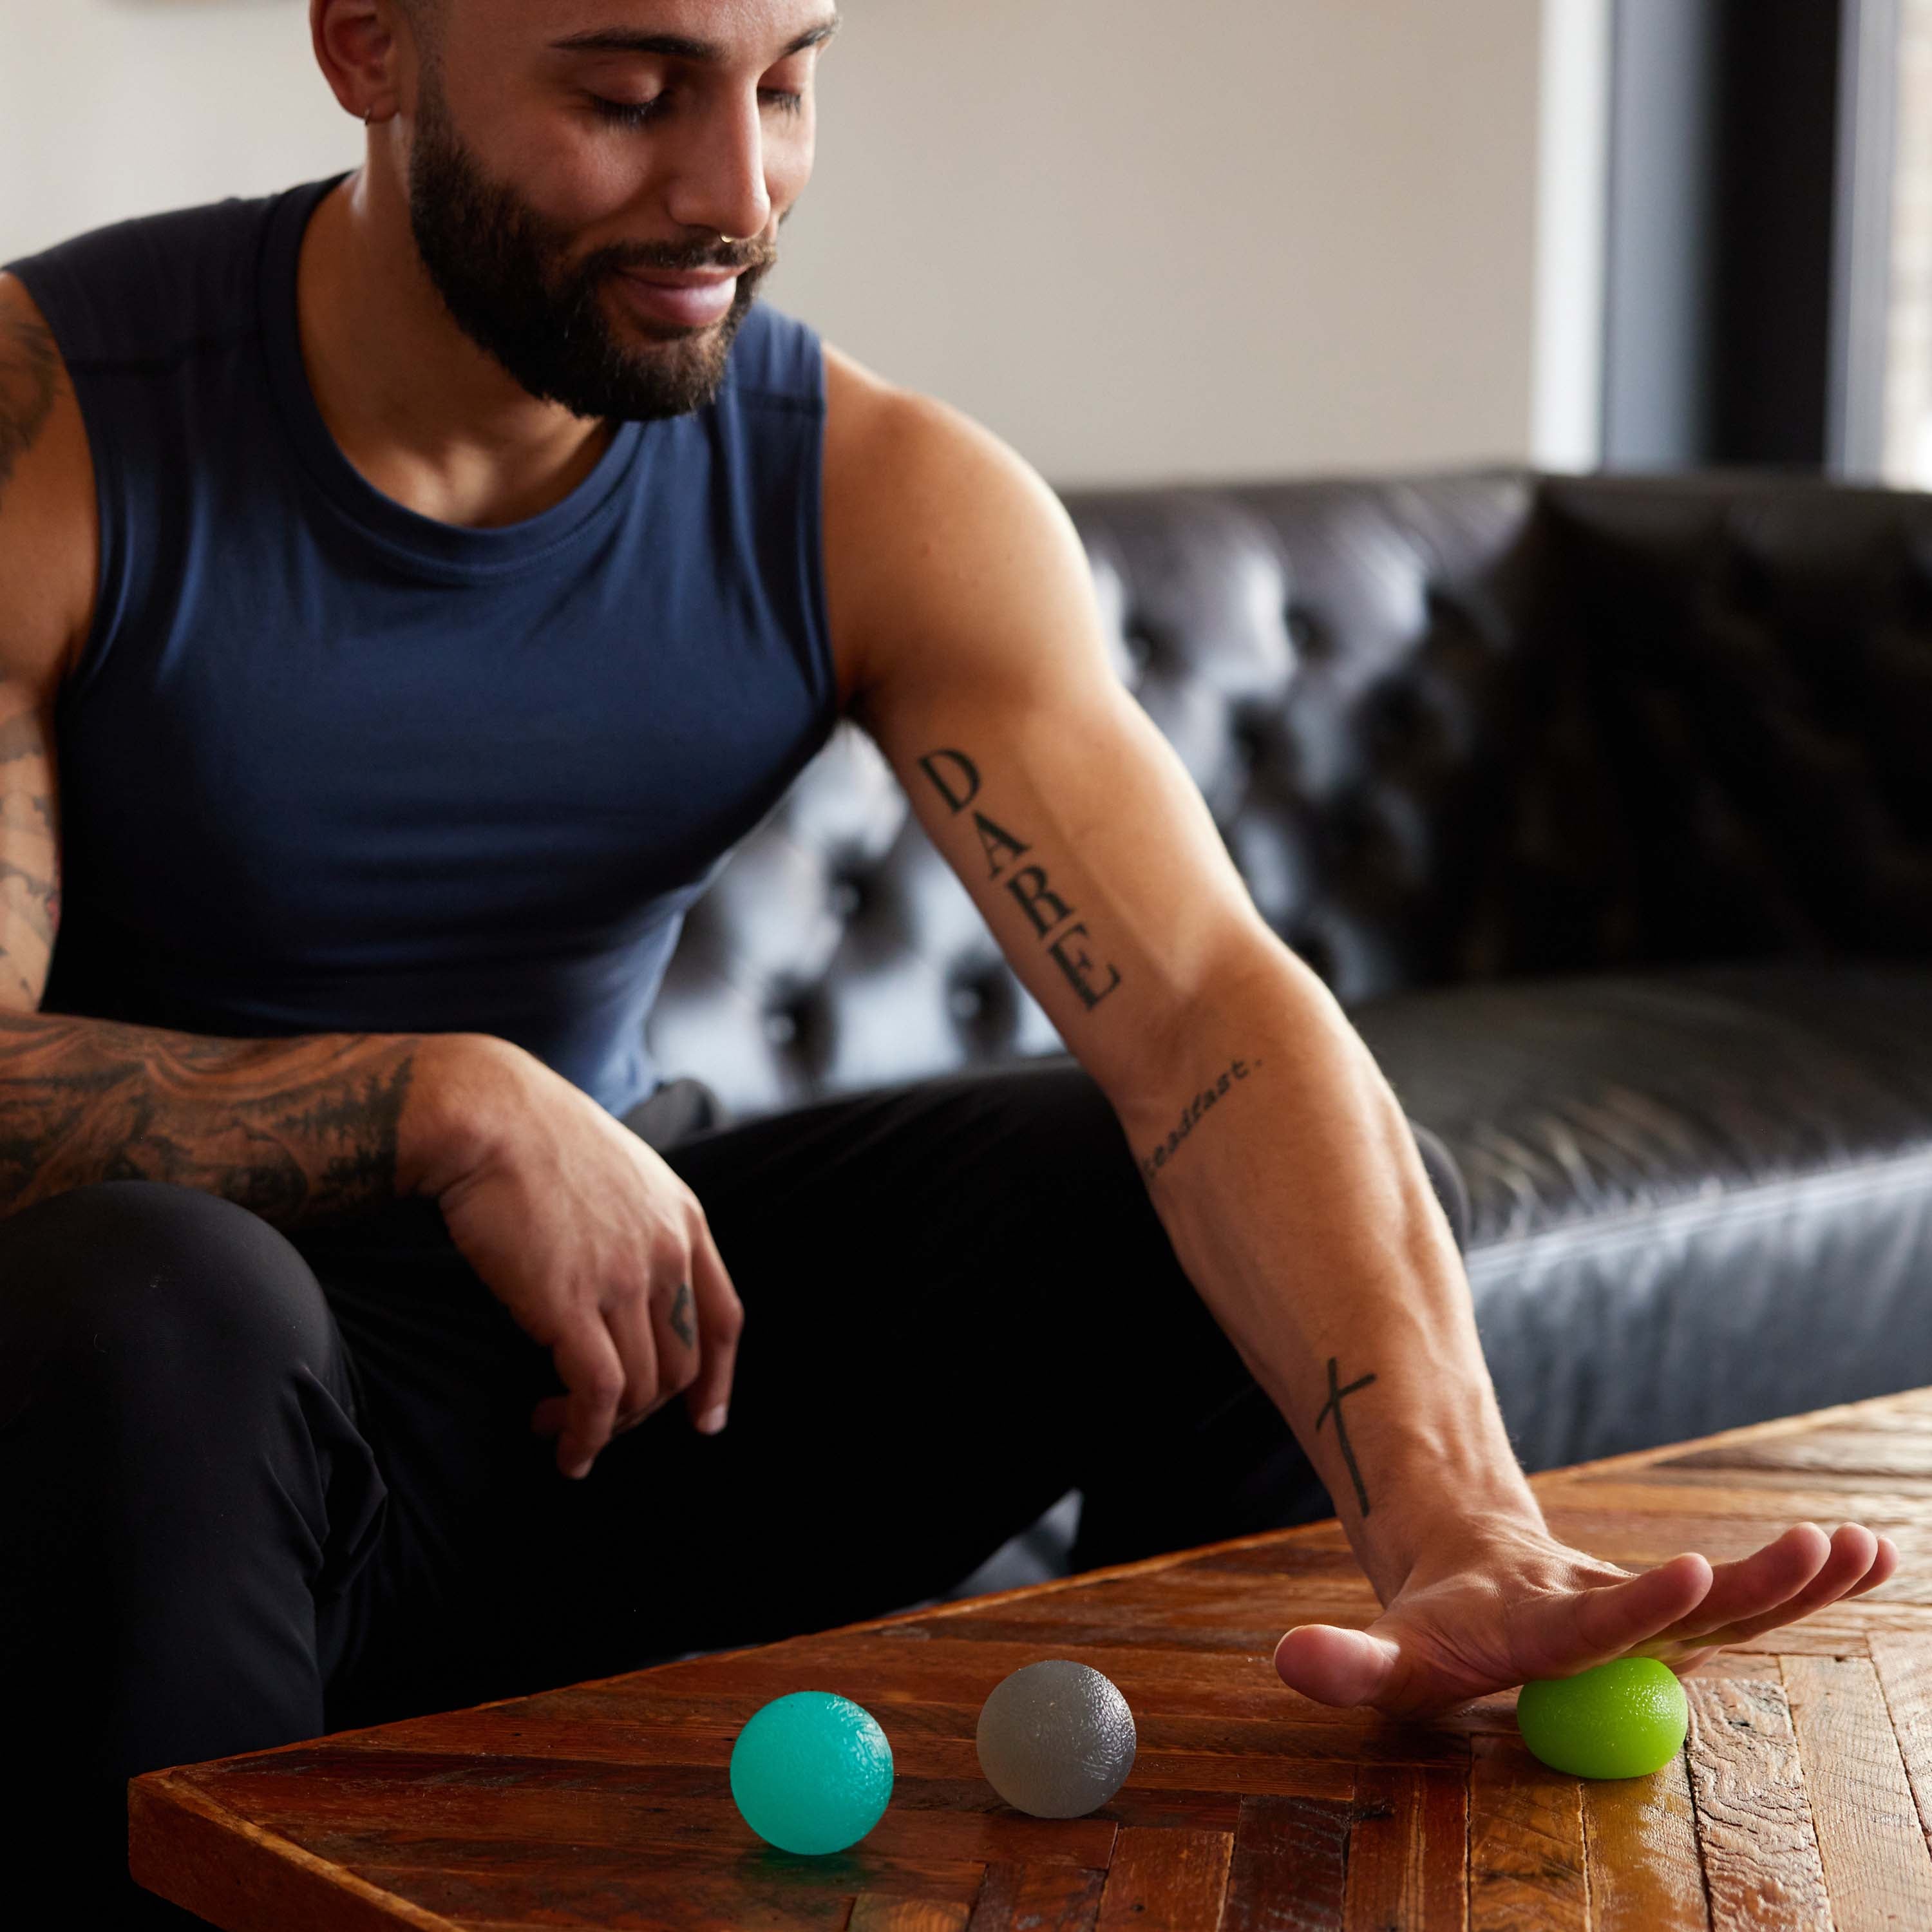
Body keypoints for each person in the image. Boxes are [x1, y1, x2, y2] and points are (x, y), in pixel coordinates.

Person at [0, 1, 1895, 1921]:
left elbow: (1207, 1016)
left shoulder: (866, 488)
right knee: (159, 1303)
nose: (739, 191)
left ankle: (1238, 1882)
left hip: (618, 1386)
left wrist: (1459, 1523)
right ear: (369, 47)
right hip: (133, 1450)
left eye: (786, 85)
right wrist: (445, 1101)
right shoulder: (57, 418)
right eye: (629, 97)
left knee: (1156, 1187)